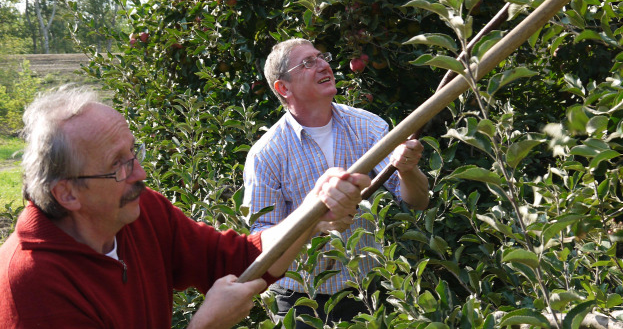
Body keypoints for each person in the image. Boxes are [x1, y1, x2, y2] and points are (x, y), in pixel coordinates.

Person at [0, 85, 371, 328]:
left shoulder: (140, 213)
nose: (140, 173)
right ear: (68, 194)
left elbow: (236, 258)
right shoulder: (33, 285)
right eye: (119, 165)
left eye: (134, 153)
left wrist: (314, 209)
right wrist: (205, 326)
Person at [243, 38, 430, 326]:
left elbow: (417, 202)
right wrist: (314, 224)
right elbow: (262, 237)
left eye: (321, 56)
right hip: (302, 300)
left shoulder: (368, 127)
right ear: (284, 88)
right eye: (307, 62)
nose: (323, 65)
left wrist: (407, 169)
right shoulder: (267, 154)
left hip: (371, 290)